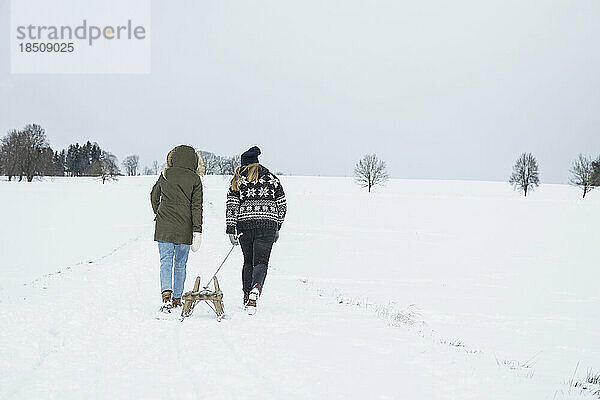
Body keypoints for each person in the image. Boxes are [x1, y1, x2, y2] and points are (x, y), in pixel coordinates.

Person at [226, 146, 287, 313]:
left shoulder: (238, 180)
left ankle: (247, 295)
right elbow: (282, 205)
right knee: (261, 261)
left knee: (248, 261)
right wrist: (277, 226)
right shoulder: (272, 179)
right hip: (268, 225)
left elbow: (232, 205)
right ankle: (256, 289)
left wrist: (231, 228)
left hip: (245, 226)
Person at [151, 145, 204, 311]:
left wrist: (159, 212)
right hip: (185, 227)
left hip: (164, 226)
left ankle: (166, 295)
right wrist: (197, 230)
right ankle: (177, 298)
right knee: (180, 264)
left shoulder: (165, 174)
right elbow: (197, 207)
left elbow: (154, 196)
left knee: (165, 261)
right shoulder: (195, 179)